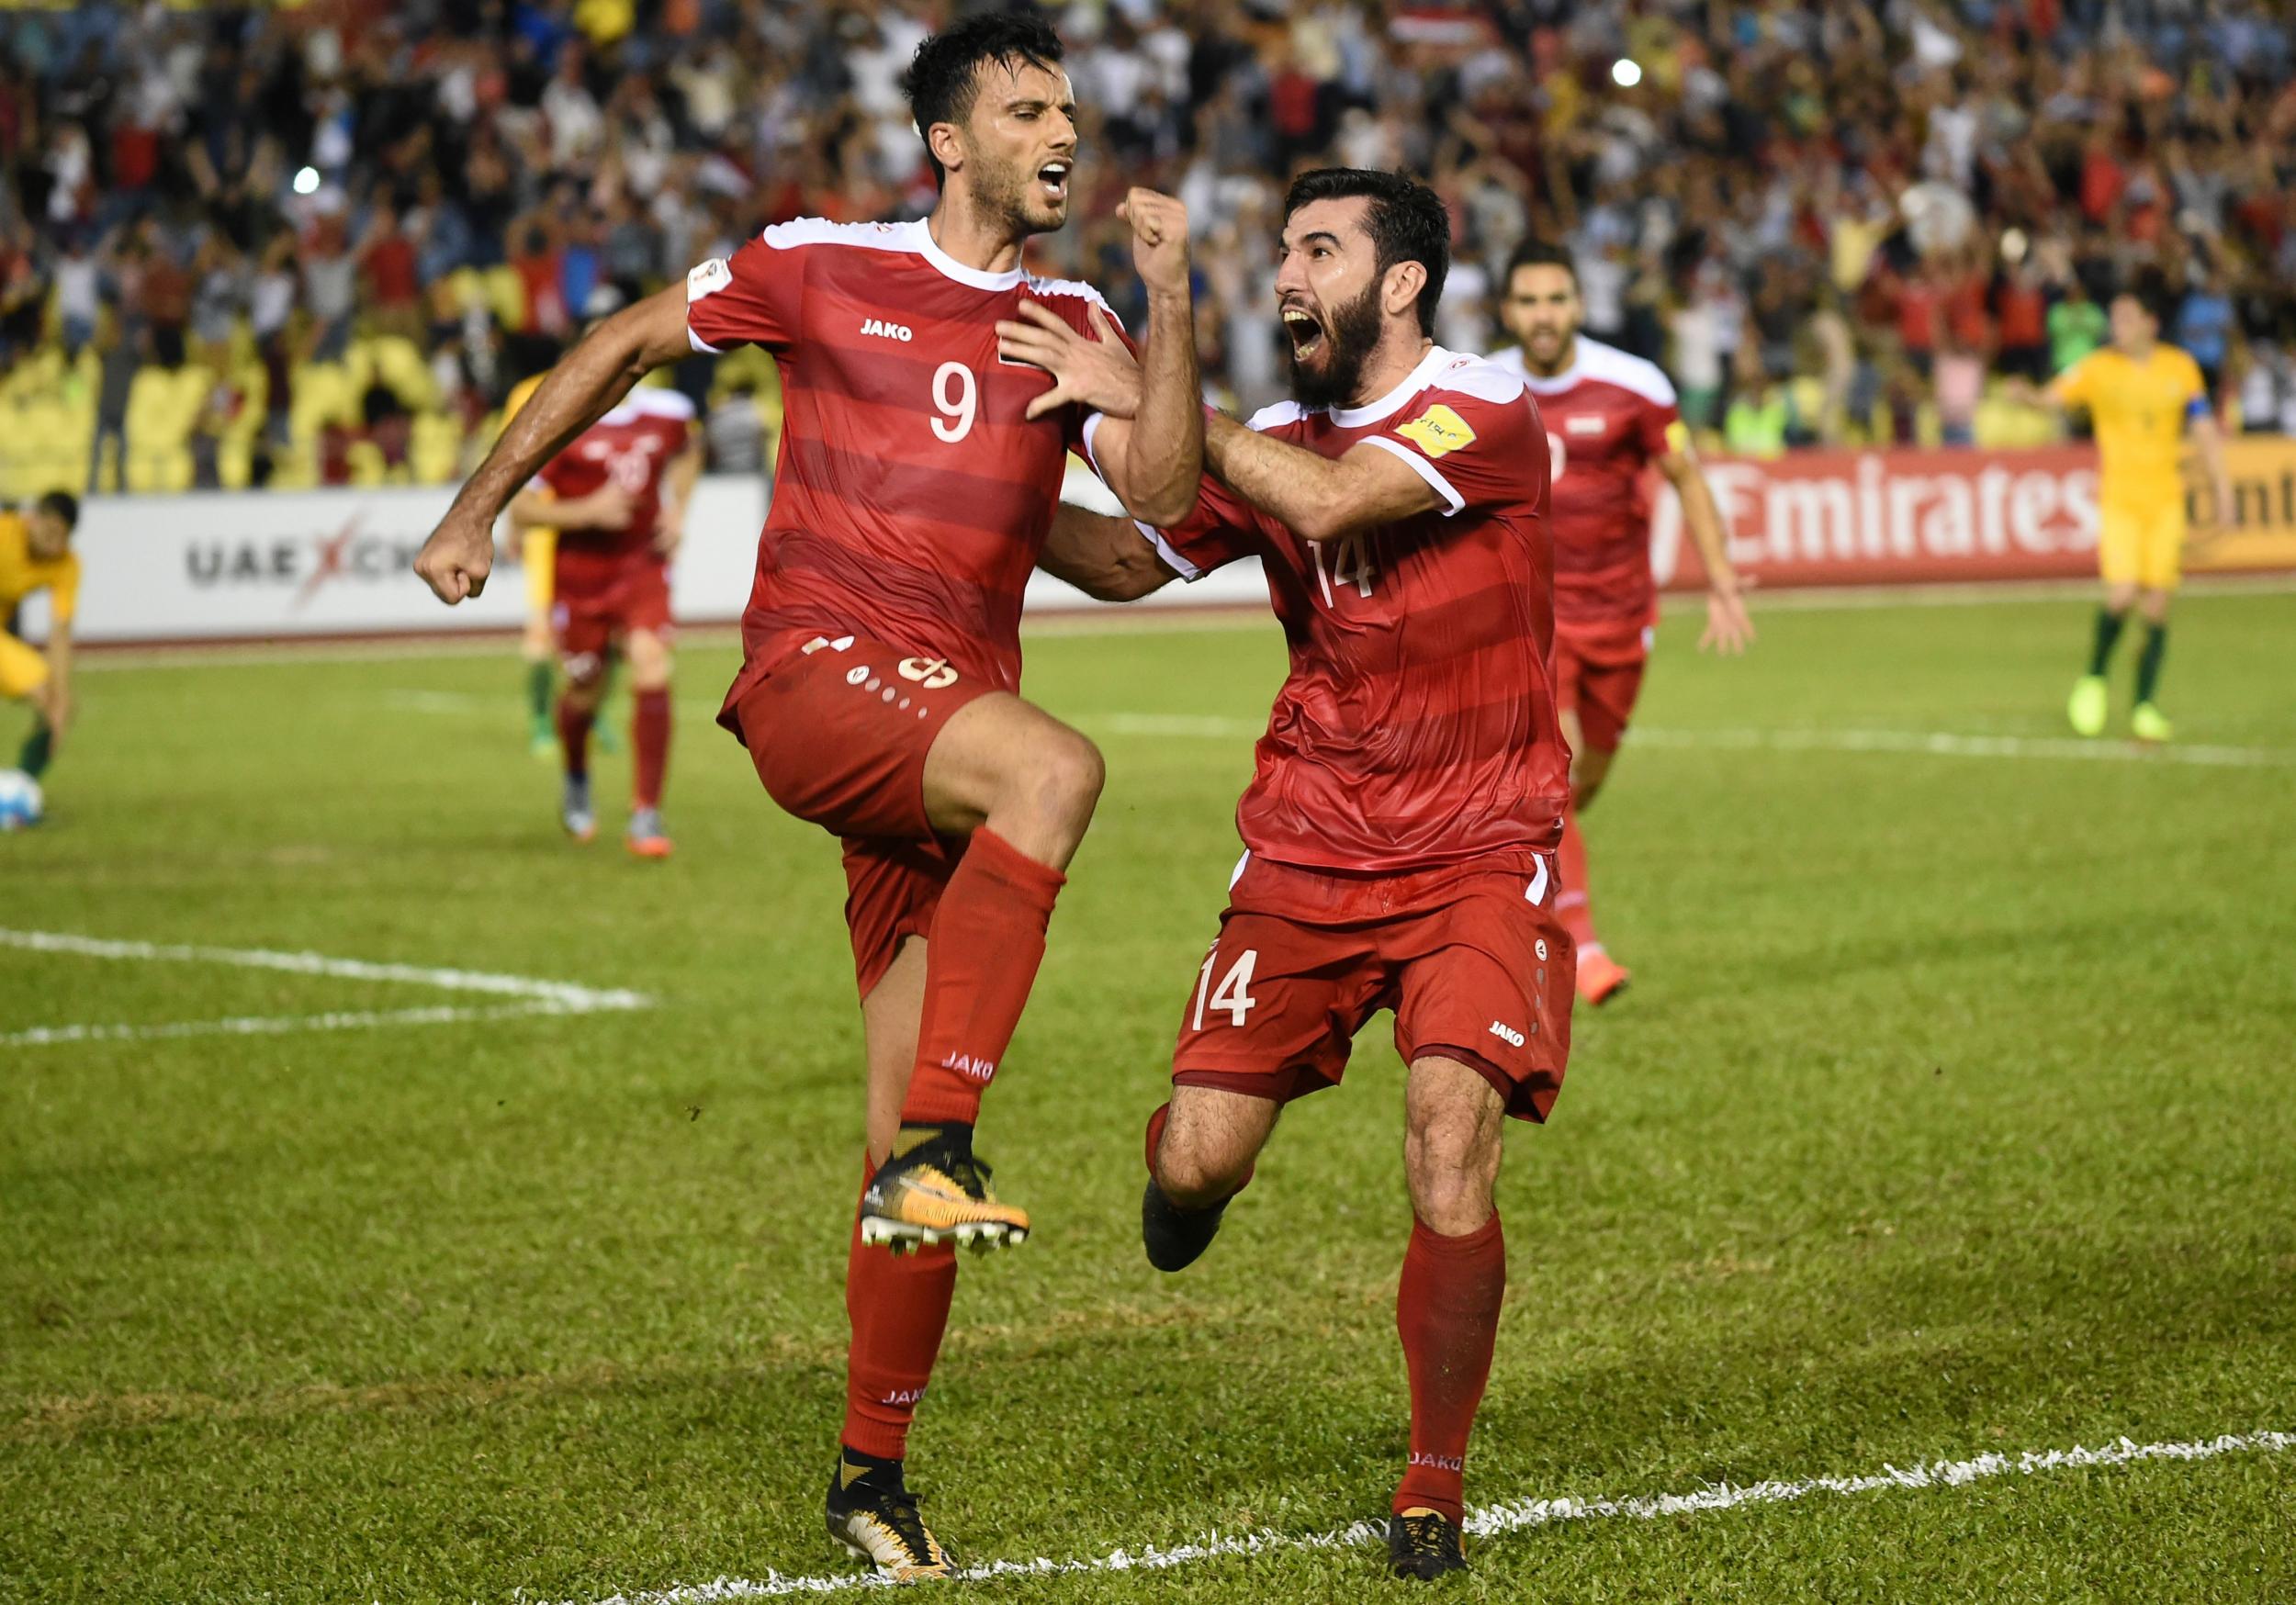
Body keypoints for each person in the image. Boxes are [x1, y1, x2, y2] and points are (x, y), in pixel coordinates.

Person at [411, 13, 1202, 1579]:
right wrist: (475, 510)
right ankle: (948, 1145)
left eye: (1071, 109)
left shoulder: (1072, 313)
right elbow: (628, 341)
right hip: (817, 674)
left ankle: (870, 1472)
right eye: (1027, 109)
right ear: (947, 140)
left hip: (930, 752)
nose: (1063, 134)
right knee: (1058, 764)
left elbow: (1151, 517)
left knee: (896, 1145)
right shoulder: (823, 262)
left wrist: (1166, 321)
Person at [1010, 167, 1570, 1581]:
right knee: (1201, 1159)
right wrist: (979, 497)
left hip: (1477, 852)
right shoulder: (1264, 433)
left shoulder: (1483, 408)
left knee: (1451, 1145)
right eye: (1281, 255)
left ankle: (1432, 1480)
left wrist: (1143, 385)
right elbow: (1132, 562)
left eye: (1318, 251)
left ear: (1400, 283)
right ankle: (1183, 1187)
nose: (1288, 280)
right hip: (1310, 849)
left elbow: (1329, 507)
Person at [1486, 241, 1753, 1005]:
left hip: (1622, 617)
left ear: (1578, 305)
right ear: (1508, 310)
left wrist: (1723, 581)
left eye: (1556, 300)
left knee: (1583, 780)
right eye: (1529, 301)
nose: (1543, 315)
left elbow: (1685, 478)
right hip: (1533, 621)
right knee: (1558, 777)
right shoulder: (1481, 387)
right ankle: (1586, 950)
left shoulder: (1635, 385)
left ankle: (1527, 861)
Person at [2032, 276, 2233, 743]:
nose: (2117, 327)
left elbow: (2202, 429)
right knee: (2121, 596)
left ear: (2150, 323)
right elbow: (2053, 397)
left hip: (2165, 501)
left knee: (2158, 607)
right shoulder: (2099, 368)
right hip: (2121, 501)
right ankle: (2094, 679)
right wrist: (2029, 398)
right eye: (2115, 319)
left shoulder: (2180, 368)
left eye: (2125, 318)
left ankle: (2145, 706)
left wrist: (2222, 490)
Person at [506, 384, 699, 856]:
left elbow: (691, 448)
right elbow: (522, 509)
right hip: (580, 576)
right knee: (585, 692)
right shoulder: (558, 421)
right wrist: (586, 511)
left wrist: (677, 511)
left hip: (642, 565)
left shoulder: (668, 410)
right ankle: (575, 773)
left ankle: (646, 814)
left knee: (652, 664)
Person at [1, 492, 80, 798]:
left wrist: (61, 697)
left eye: (62, 537)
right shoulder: (5, 532)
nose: (54, 544)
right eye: (49, 532)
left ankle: (17, 793)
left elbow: (60, 632)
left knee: (55, 700)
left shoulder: (66, 564)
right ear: (32, 519)